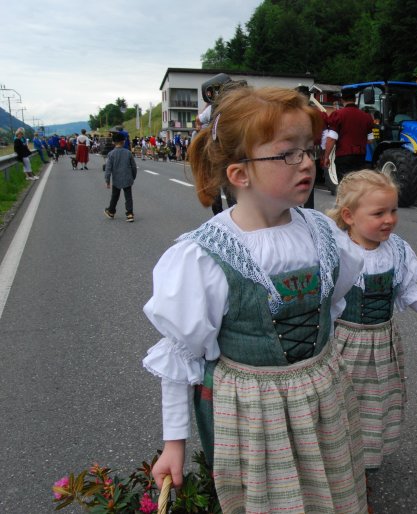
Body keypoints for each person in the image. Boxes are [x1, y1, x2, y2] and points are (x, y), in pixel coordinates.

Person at [143, 87, 369, 514]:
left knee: (332, 487)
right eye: (287, 154)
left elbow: (332, 304)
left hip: (322, 393)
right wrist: (174, 443)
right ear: (239, 174)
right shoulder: (204, 257)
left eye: (309, 148)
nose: (306, 161)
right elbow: (180, 356)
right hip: (251, 413)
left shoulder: (322, 232)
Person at [326, 169, 417, 471]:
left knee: (374, 403)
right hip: (341, 342)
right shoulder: (336, 251)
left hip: (381, 343)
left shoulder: (397, 251)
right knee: (340, 402)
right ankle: (338, 462)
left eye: (393, 211)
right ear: (349, 216)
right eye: (379, 213)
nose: (389, 219)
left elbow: (410, 290)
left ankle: (364, 461)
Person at [322, 89, 375, 189]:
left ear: (342, 100)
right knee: (358, 188)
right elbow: (370, 140)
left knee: (345, 187)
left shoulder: (338, 115)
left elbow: (331, 139)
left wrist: (326, 157)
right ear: (355, 99)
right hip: (360, 157)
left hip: (344, 157)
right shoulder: (367, 117)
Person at [103, 132, 138, 222]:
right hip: (127, 178)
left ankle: (111, 211)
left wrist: (107, 181)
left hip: (116, 179)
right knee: (128, 197)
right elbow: (134, 167)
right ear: (123, 141)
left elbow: (108, 169)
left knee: (115, 196)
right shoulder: (128, 153)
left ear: (113, 142)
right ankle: (130, 214)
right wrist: (133, 177)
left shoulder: (111, 154)